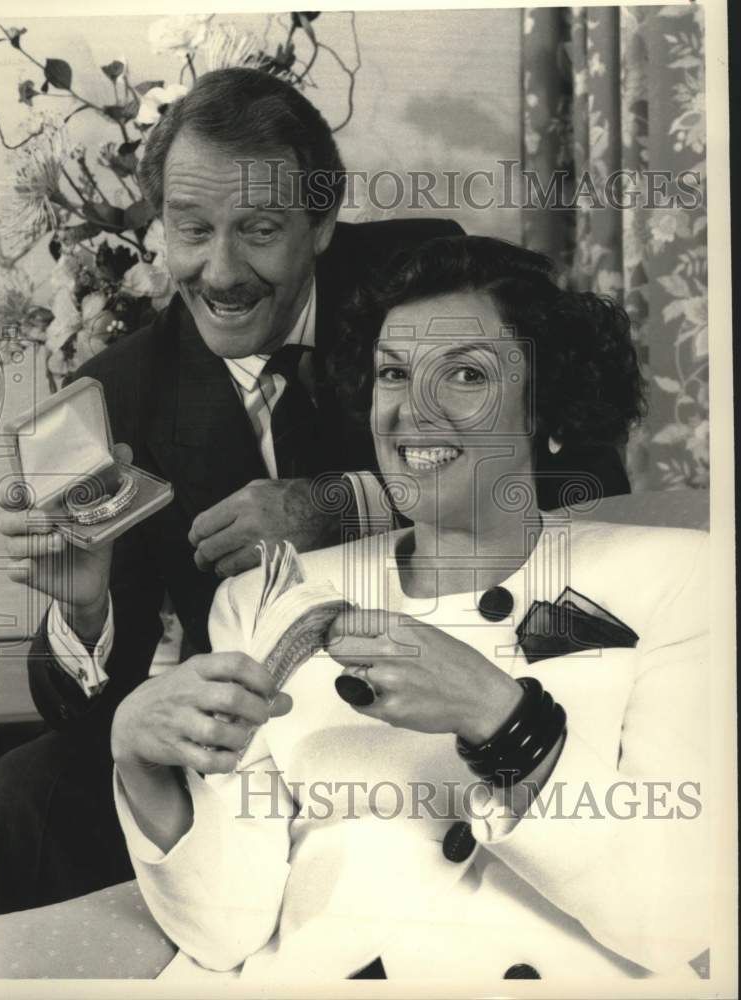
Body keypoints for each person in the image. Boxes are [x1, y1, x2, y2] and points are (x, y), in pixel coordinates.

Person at [0, 68, 630, 916]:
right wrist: (83, 615)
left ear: (323, 222)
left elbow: (589, 471)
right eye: (190, 230)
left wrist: (341, 503)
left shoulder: (428, 274)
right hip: (270, 728)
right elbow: (91, 710)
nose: (219, 270)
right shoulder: (118, 392)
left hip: (491, 654)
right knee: (14, 798)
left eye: (259, 230)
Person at [101, 236, 709, 983]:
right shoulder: (266, 596)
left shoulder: (679, 576)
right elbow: (224, 931)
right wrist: (138, 757)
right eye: (393, 373)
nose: (411, 410)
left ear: (546, 407)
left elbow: (677, 916)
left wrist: (500, 718)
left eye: (464, 374)